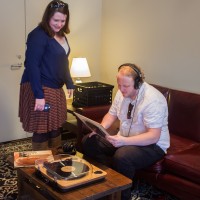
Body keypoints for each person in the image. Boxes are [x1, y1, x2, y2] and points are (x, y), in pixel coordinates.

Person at [82, 63, 170, 200]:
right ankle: (104, 185)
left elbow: (154, 136)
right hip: (124, 138)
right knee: (89, 141)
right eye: (119, 85)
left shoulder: (153, 100)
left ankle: (123, 195)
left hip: (152, 145)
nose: (121, 89)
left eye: (126, 86)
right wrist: (99, 129)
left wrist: (124, 141)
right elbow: (111, 115)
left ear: (137, 82)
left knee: (122, 156)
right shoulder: (121, 92)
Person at [19, 0, 74, 151]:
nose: (59, 24)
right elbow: (32, 65)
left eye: (63, 20)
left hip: (55, 88)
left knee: (55, 126)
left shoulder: (61, 35)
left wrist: (69, 82)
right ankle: (40, 167)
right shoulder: (38, 35)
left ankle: (54, 164)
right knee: (42, 128)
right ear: (47, 17)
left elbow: (63, 61)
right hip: (39, 87)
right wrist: (39, 95)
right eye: (56, 20)